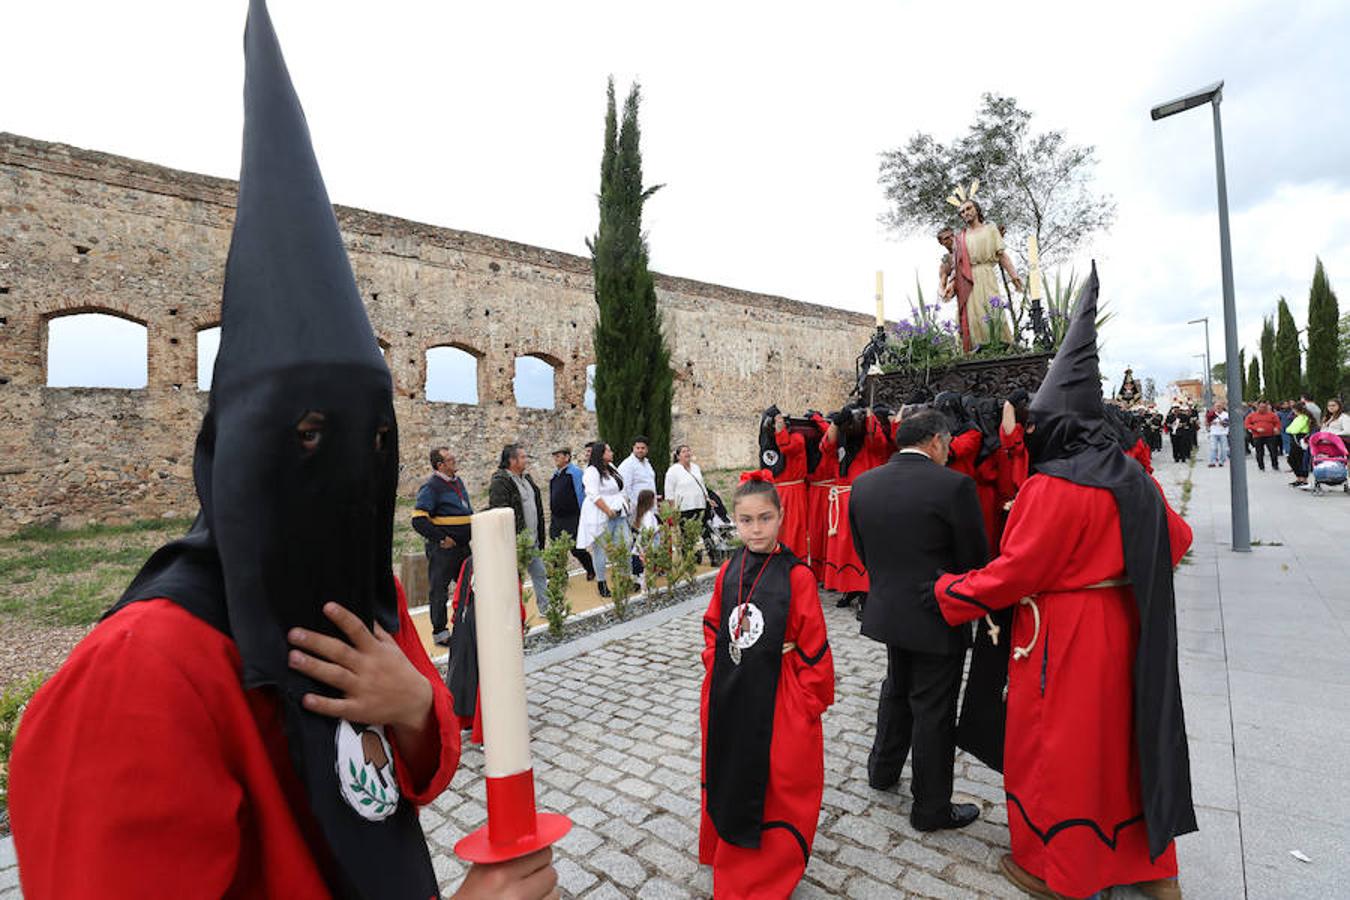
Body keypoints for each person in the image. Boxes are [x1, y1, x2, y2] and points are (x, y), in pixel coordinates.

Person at [7, 3, 558, 896]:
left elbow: (406, 773)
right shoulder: (140, 676)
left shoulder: (349, 596)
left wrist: (416, 707)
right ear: (240, 447)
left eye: (370, 438)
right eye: (306, 436)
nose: (342, 466)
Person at [931, 266, 1194, 900]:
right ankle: (1151, 869)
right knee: (1127, 741)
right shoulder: (1135, 479)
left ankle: (1062, 872)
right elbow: (1178, 543)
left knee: (1062, 751)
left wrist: (950, 594)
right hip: (1126, 628)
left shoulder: (1052, 488)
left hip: (1063, 639)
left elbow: (1018, 571)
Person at [849, 409, 988, 832]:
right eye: (946, 445)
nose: (948, 452)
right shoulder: (954, 486)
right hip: (935, 615)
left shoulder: (864, 483)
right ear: (934, 441)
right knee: (932, 707)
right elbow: (974, 560)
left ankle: (883, 769)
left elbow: (862, 548)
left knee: (896, 689)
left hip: (889, 608)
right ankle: (930, 807)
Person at [699, 473, 834, 899]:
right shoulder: (728, 570)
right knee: (729, 769)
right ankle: (726, 852)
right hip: (731, 689)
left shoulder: (797, 578)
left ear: (780, 516)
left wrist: (807, 702)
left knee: (778, 781)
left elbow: (814, 644)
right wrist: (716, 666)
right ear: (734, 522)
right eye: (745, 520)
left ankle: (765, 877)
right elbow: (712, 626)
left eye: (764, 518)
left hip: (780, 696)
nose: (755, 529)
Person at [413, 446, 473, 646]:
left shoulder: (458, 482)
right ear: (440, 465)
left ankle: (468, 624)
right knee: (439, 590)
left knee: (470, 586)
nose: (454, 460)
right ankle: (440, 633)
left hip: (463, 547)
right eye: (450, 459)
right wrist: (441, 538)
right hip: (444, 550)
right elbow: (419, 520)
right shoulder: (431, 487)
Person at [947, 195, 1023, 351]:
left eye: (968, 208)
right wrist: (951, 283)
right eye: (962, 212)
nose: (965, 213)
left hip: (986, 274)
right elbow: (957, 265)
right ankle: (975, 350)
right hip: (966, 280)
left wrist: (1013, 275)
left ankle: (1000, 346)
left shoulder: (990, 230)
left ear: (976, 209)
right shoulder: (960, 237)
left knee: (992, 311)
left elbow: (1002, 255)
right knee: (972, 316)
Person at [488, 444, 550, 616]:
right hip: (515, 543)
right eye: (522, 457)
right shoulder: (501, 482)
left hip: (533, 540)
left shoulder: (527, 479)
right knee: (514, 581)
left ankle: (545, 608)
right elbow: (499, 513)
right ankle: (512, 614)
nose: (526, 460)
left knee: (540, 573)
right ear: (512, 460)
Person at [577, 441, 630, 598]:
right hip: (601, 515)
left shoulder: (612, 468)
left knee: (625, 543)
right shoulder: (592, 472)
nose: (612, 452)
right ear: (600, 453)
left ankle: (624, 578)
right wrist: (607, 510)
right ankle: (602, 582)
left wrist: (625, 503)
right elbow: (593, 494)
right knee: (600, 549)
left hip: (619, 513)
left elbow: (620, 488)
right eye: (608, 450)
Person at [758, 406, 810, 560]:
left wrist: (781, 430)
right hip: (776, 491)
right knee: (775, 529)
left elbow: (787, 448)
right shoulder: (768, 442)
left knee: (793, 529)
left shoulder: (797, 438)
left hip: (793, 491)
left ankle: (793, 563)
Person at [549, 447, 596, 580]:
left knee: (576, 548)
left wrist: (583, 515)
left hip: (572, 517)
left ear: (567, 457)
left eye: (558, 456)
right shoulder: (555, 475)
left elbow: (580, 493)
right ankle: (560, 575)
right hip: (557, 518)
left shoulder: (575, 473)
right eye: (555, 456)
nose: (556, 459)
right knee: (556, 548)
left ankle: (590, 569)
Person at [665, 443, 712, 556]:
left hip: (699, 505)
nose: (687, 453)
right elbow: (669, 490)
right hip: (684, 507)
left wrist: (707, 498)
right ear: (678, 456)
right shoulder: (673, 470)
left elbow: (702, 484)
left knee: (705, 531)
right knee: (686, 535)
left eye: (688, 451)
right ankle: (689, 558)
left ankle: (712, 555)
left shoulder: (696, 467)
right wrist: (673, 508)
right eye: (684, 451)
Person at [617, 435, 657, 524]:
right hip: (636, 508)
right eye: (637, 448)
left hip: (649, 506)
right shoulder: (628, 464)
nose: (640, 450)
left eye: (643, 448)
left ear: (647, 449)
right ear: (633, 448)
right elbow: (625, 487)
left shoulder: (647, 464)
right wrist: (636, 505)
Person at [1243, 401, 1283, 472]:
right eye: (1261, 407)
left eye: (1264, 407)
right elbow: (1247, 425)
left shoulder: (1272, 415)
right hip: (1257, 436)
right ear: (1257, 407)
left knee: (1273, 451)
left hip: (1270, 435)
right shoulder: (1251, 415)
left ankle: (1275, 465)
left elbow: (1278, 423)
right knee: (1259, 452)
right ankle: (1261, 467)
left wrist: (1276, 428)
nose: (1263, 409)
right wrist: (1256, 428)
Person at [1286, 401, 1317, 488]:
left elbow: (1293, 430)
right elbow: (1289, 428)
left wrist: (1290, 430)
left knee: (1298, 459)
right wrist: (1290, 430)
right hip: (1295, 439)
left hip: (1299, 439)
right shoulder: (1299, 417)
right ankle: (1299, 478)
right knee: (1293, 459)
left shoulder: (1303, 418)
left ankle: (1303, 479)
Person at [1207, 403, 1230, 467]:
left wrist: (1222, 422)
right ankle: (1212, 462)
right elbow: (1207, 423)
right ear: (1214, 407)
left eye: (1219, 406)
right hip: (1213, 433)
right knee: (1213, 448)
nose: (1218, 408)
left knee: (1223, 448)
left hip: (1223, 433)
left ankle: (1221, 461)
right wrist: (1211, 423)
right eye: (1217, 406)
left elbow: (1227, 424)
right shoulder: (1211, 414)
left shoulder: (1226, 414)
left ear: (1222, 407)